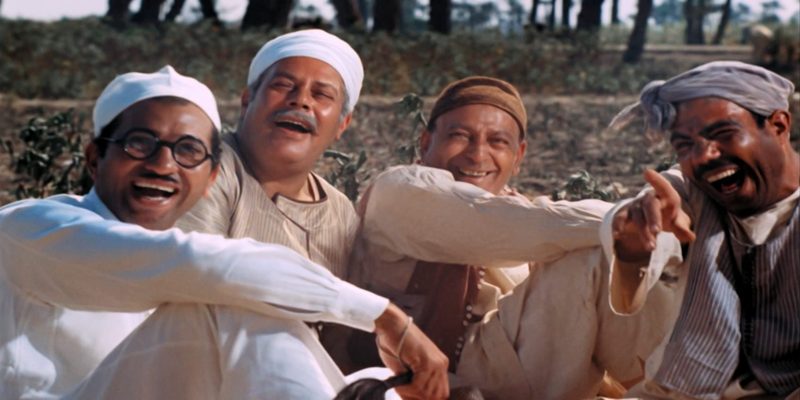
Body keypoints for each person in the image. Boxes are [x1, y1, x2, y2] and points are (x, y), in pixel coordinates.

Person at [0, 66, 448, 400]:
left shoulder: (179, 271)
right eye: (140, 143)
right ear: (95, 158)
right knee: (236, 300)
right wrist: (384, 316)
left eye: (188, 150)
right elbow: (200, 265)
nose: (162, 164)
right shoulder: (29, 227)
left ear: (211, 177)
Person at [349, 76, 680, 399]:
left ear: (518, 156)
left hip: (519, 369)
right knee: (596, 257)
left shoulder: (514, 207)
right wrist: (639, 220)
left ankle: (673, 386)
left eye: (498, 142)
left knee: (627, 260)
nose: (477, 155)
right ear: (425, 143)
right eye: (460, 136)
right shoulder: (400, 190)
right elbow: (492, 222)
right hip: (430, 379)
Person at [604, 60, 800, 399]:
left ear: (778, 126)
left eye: (724, 134)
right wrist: (634, 242)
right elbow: (664, 195)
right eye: (685, 145)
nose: (704, 156)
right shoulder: (696, 193)